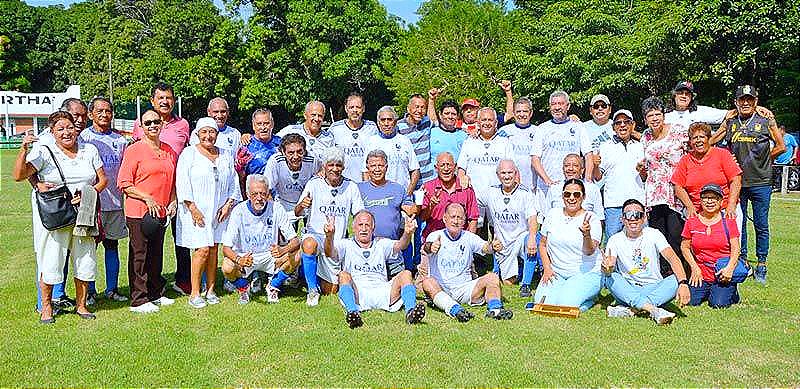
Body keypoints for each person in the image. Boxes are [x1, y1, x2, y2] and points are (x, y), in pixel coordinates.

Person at [13, 111, 108, 323]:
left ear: (76, 128)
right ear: (52, 132)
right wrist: (23, 150)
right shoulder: (45, 151)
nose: (66, 132)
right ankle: (46, 307)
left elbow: (103, 180)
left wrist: (88, 193)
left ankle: (81, 305)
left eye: (70, 127)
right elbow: (19, 175)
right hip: (55, 214)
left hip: (83, 213)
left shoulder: (89, 149)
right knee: (51, 259)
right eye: (60, 129)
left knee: (85, 259)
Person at [716, 85, 785, 285]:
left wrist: (766, 159)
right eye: (742, 100)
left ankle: (761, 263)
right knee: (739, 222)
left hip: (761, 181)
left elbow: (780, 146)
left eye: (750, 99)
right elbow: (713, 141)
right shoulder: (731, 121)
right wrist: (723, 123)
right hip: (737, 182)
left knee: (761, 223)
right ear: (736, 102)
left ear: (756, 101)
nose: (745, 103)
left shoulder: (765, 119)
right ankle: (743, 259)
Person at [132, 82, 193, 296]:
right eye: (160, 98)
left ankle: (183, 280)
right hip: (150, 194)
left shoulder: (183, 124)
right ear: (152, 101)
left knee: (182, 237)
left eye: (168, 98)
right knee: (149, 243)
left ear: (174, 100)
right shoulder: (141, 124)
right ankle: (148, 286)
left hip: (178, 190)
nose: (165, 102)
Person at [176, 117, 242, 309]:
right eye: (204, 132)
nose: (208, 136)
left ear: (217, 134)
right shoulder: (189, 154)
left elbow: (233, 183)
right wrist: (193, 208)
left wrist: (228, 205)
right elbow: (182, 183)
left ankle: (211, 289)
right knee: (202, 249)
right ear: (197, 134)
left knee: (213, 249)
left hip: (219, 212)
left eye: (211, 132)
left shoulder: (225, 156)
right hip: (196, 211)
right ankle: (195, 292)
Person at [30, 98, 89, 312]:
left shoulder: (82, 142)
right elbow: (28, 169)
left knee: (72, 254)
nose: (80, 120)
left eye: (83, 116)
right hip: (52, 207)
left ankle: (61, 296)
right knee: (49, 255)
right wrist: (37, 183)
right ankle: (43, 304)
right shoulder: (45, 140)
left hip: (76, 208)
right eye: (75, 116)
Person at [117, 109, 179, 313]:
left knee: (156, 254)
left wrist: (172, 200)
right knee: (139, 255)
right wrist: (146, 197)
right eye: (147, 123)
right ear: (141, 127)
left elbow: (172, 180)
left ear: (162, 124)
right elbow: (124, 183)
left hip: (160, 212)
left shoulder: (169, 150)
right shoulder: (134, 150)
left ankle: (155, 293)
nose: (152, 125)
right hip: (139, 212)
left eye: (156, 121)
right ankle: (139, 298)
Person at [324, 210, 425, 328]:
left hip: (383, 291)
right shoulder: (346, 244)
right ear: (353, 227)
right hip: (358, 293)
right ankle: (352, 312)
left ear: (373, 228)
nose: (364, 228)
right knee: (343, 275)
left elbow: (400, 245)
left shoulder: (381, 243)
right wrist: (329, 236)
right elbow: (329, 253)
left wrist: (407, 233)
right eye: (360, 225)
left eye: (367, 225)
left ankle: (411, 312)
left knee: (406, 274)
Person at [294, 148, 365, 306]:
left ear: (343, 167)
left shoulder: (351, 187)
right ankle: (312, 290)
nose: (334, 168)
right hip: (316, 236)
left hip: (335, 241)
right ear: (324, 167)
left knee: (331, 290)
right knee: (308, 244)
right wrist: (302, 205)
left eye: (338, 165)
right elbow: (297, 212)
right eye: (330, 165)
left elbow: (360, 214)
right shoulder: (314, 184)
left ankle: (307, 272)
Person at [602, 199, 691, 325]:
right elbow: (609, 267)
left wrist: (683, 283)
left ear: (644, 217)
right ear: (622, 219)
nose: (633, 219)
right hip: (629, 287)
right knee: (611, 277)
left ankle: (631, 310)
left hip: (654, 287)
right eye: (628, 215)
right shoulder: (615, 239)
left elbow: (672, 257)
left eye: (637, 215)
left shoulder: (654, 234)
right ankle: (654, 310)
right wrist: (607, 268)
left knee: (675, 280)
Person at [421, 203, 513, 321]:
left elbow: (485, 248)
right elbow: (427, 247)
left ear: (464, 220)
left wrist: (493, 246)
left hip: (465, 289)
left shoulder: (469, 237)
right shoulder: (435, 235)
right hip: (442, 288)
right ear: (445, 218)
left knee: (493, 277)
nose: (456, 221)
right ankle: (455, 310)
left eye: (459, 217)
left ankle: (495, 311)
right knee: (427, 282)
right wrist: (432, 247)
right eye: (452, 217)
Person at [221, 174, 300, 305]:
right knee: (227, 266)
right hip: (247, 257)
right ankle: (243, 287)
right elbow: (226, 248)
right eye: (254, 194)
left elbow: (295, 241)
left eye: (263, 194)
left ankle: (273, 286)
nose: (259, 198)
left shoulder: (276, 208)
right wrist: (239, 260)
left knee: (297, 255)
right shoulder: (238, 211)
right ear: (247, 194)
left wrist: (282, 249)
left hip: (271, 256)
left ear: (268, 193)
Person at [79, 97, 129, 304]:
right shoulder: (82, 138)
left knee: (112, 246)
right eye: (99, 111)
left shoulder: (120, 140)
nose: (104, 114)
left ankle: (112, 289)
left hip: (115, 203)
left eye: (108, 111)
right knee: (89, 249)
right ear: (91, 114)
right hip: (91, 204)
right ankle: (90, 291)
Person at [532, 179, 603, 312]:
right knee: (542, 303)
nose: (571, 198)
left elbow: (589, 252)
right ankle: (568, 292)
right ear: (562, 196)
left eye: (576, 194)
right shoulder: (553, 214)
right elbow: (542, 245)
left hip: (586, 273)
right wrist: (547, 269)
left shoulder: (592, 219)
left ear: (584, 197)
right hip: (557, 272)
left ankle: (590, 300)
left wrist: (586, 234)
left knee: (565, 305)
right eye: (567, 194)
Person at [639, 96, 689, 262]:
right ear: (645, 119)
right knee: (658, 235)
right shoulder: (645, 136)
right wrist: (641, 170)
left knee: (676, 233)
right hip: (654, 194)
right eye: (650, 115)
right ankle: (663, 273)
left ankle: (682, 274)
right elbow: (647, 165)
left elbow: (692, 153)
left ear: (663, 115)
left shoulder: (678, 131)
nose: (654, 118)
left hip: (675, 191)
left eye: (657, 114)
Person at [477, 160, 539, 294]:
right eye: (503, 173)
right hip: (502, 244)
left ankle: (526, 284)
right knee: (508, 283)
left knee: (535, 238)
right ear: (498, 175)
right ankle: (518, 269)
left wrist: (532, 237)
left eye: (510, 172)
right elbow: (472, 198)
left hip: (521, 240)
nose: (506, 176)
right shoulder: (491, 192)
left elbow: (532, 218)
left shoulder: (525, 193)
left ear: (516, 173)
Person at [680, 184, 742, 308]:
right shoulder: (692, 221)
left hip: (722, 272)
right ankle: (709, 290)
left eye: (714, 198)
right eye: (705, 198)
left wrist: (729, 269)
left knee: (718, 304)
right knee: (691, 301)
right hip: (701, 273)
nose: (709, 201)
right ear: (700, 200)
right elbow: (684, 247)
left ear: (720, 201)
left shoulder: (728, 220)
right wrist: (694, 267)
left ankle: (732, 291)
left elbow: (736, 248)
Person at [358, 150, 417, 275]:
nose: (377, 169)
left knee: (399, 285)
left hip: (391, 247)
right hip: (366, 249)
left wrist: (422, 204)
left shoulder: (398, 189)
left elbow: (411, 209)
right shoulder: (358, 189)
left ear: (386, 167)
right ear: (367, 167)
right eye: (373, 166)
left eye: (380, 165)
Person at [672, 122, 742, 222]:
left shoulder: (723, 154)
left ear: (709, 139)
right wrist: (689, 207)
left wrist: (731, 205)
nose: (698, 140)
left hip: (724, 209)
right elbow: (678, 186)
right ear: (690, 142)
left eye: (702, 137)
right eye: (695, 138)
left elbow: (736, 180)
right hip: (698, 212)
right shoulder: (685, 160)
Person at [593, 109, 645, 238]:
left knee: (640, 242)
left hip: (637, 203)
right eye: (618, 123)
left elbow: (644, 177)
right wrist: (595, 165)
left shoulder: (640, 146)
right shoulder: (605, 147)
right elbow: (598, 177)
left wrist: (642, 170)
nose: (622, 125)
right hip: (613, 205)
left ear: (632, 125)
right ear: (613, 127)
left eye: (626, 122)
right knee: (613, 244)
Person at [531, 91, 592, 195]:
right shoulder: (542, 128)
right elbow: (535, 159)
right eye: (554, 104)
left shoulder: (578, 127)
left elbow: (588, 155)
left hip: (573, 188)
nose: (557, 107)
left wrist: (588, 181)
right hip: (548, 188)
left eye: (561, 104)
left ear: (568, 106)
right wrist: (547, 181)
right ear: (550, 107)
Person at [419, 152, 479, 240]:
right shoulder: (428, 187)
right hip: (434, 241)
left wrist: (468, 242)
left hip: (460, 240)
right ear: (436, 168)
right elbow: (422, 218)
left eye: (449, 165)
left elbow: (473, 219)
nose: (446, 169)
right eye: (442, 165)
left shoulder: (466, 188)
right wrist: (431, 206)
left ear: (455, 167)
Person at [361, 106, 419, 195]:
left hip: (402, 195)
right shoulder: (371, 142)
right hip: (379, 196)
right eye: (383, 120)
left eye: (389, 120)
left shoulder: (404, 140)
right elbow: (365, 171)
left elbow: (415, 170)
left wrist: (408, 193)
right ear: (378, 123)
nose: (386, 123)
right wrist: (370, 194)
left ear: (395, 122)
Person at [264, 134, 320, 218]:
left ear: (304, 151)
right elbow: (266, 189)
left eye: (299, 152)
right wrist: (274, 211)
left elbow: (320, 179)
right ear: (283, 152)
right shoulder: (275, 161)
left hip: (306, 204)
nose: (296, 156)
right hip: (283, 203)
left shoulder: (313, 159)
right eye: (291, 153)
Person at [329, 92, 378, 182]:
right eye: (351, 107)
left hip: (366, 182)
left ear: (363, 109)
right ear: (346, 109)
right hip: (342, 183)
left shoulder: (372, 128)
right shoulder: (335, 128)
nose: (355, 110)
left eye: (358, 107)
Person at [542, 154, 604, 222]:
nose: (570, 168)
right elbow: (546, 218)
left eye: (575, 166)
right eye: (567, 166)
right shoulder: (554, 189)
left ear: (582, 170)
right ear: (563, 169)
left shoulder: (592, 189)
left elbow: (599, 219)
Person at [234, 109, 282, 195]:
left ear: (272, 124)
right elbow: (240, 179)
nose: (263, 127)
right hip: (257, 196)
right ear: (253, 125)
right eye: (259, 124)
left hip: (280, 197)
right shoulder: (246, 146)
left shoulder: (282, 144)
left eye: (266, 123)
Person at [498, 97, 538, 190]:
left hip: (533, 186)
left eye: (525, 111)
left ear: (531, 113)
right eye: (518, 111)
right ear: (514, 113)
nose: (522, 114)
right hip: (509, 186)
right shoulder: (504, 131)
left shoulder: (538, 131)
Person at [664, 81, 728, 128]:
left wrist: (713, 139)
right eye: (680, 93)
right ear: (674, 95)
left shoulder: (700, 111)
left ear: (692, 98)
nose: (684, 96)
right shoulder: (663, 114)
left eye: (687, 94)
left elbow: (729, 114)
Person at [427, 89, 467, 162]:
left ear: (458, 116)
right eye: (447, 113)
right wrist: (431, 100)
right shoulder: (431, 132)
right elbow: (431, 118)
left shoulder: (464, 135)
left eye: (453, 114)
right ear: (440, 114)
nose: (450, 117)